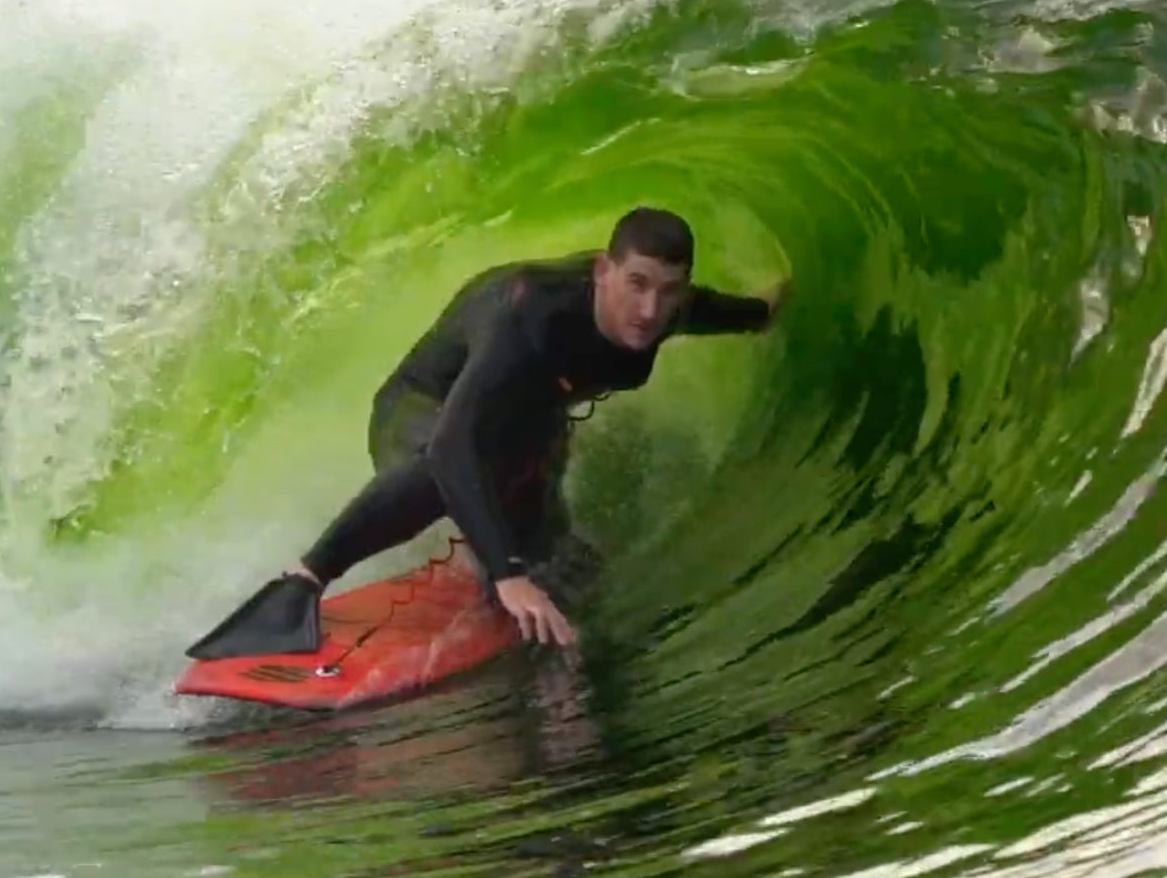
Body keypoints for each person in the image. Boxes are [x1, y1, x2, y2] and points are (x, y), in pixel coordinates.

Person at [186, 206, 779, 659]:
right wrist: (507, 575)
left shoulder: (666, 310)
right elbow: (451, 444)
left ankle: (495, 551)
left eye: (668, 291)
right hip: (422, 414)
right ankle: (299, 585)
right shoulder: (531, 315)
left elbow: (709, 311)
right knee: (446, 475)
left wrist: (763, 314)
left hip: (523, 431)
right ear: (604, 271)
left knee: (561, 562)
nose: (651, 310)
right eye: (637, 284)